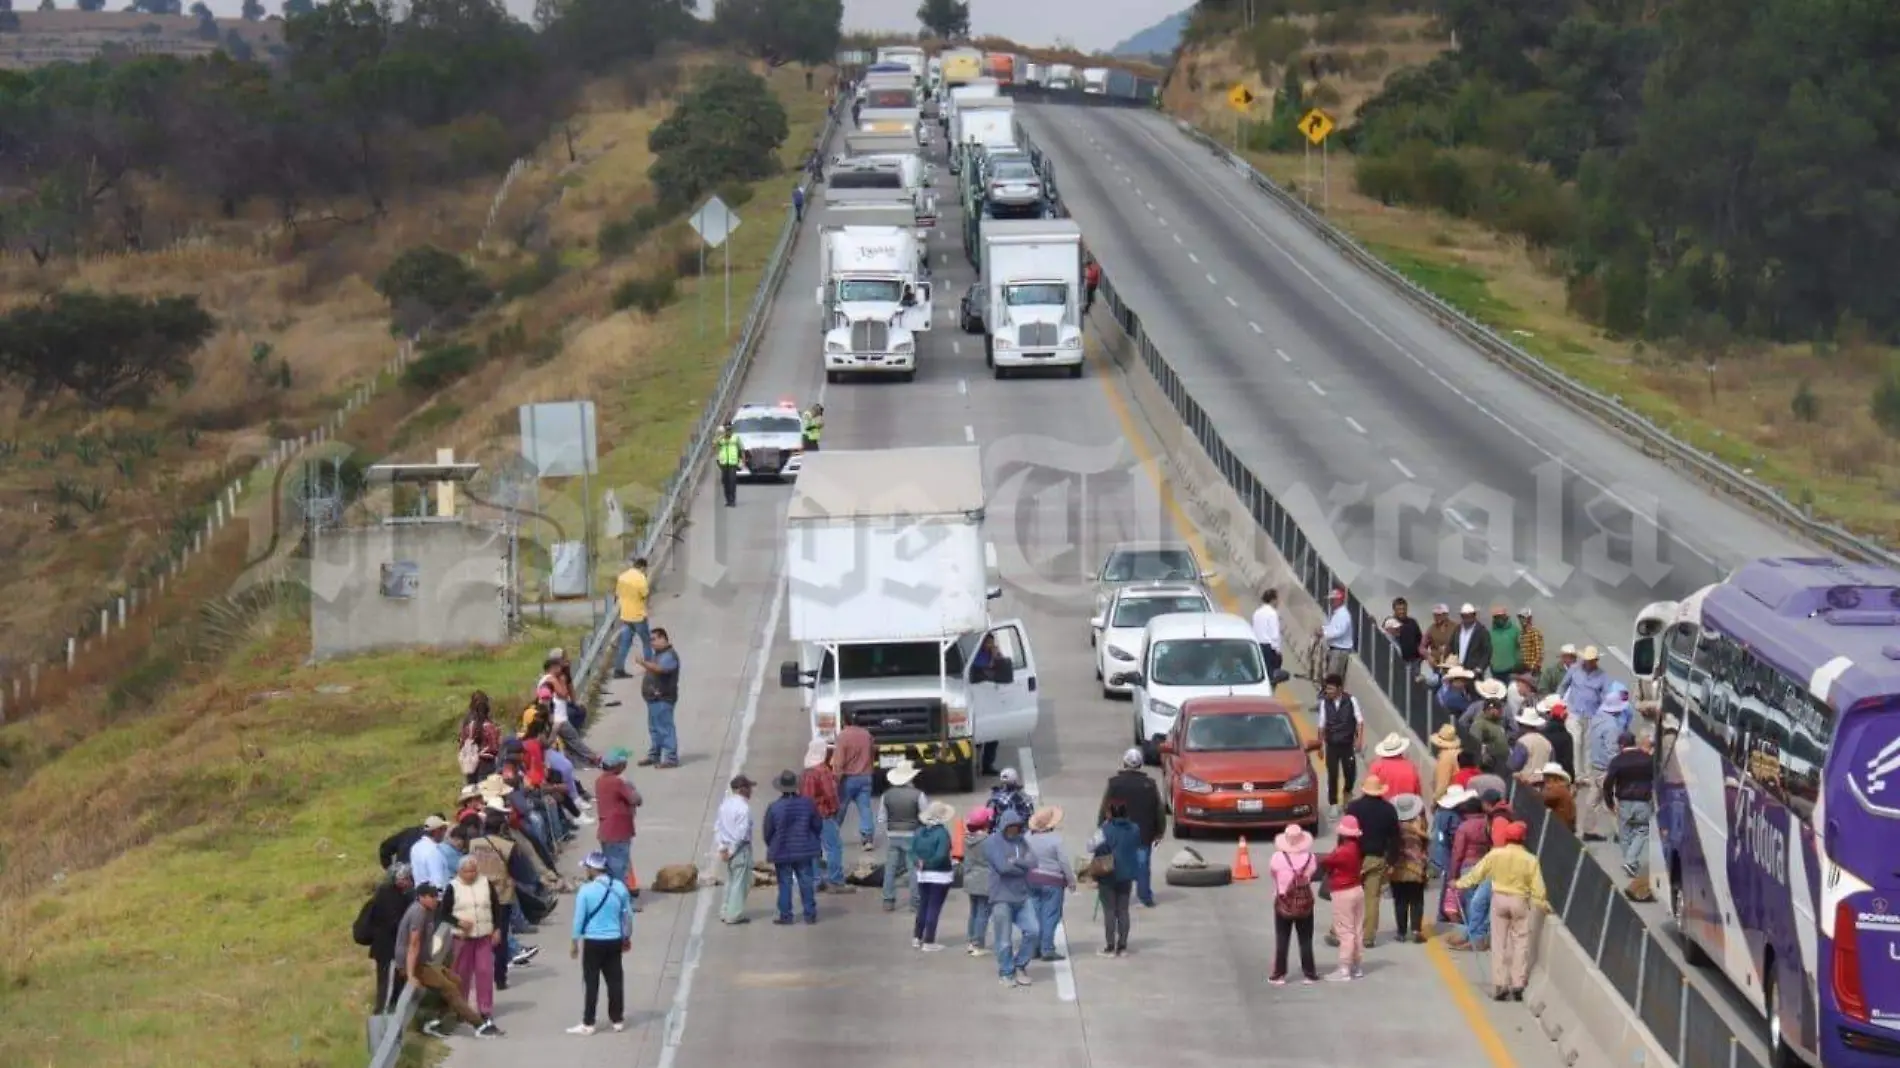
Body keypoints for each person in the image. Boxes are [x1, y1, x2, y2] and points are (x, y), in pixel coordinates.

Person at [1456, 820, 1549, 1001]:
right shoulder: (1530, 860)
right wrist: (1543, 904)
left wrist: (1459, 884)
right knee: (1521, 942)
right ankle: (1517, 984)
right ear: (1523, 838)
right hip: (1520, 901)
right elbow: (1539, 889)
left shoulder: (1495, 854)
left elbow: (1477, 874)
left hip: (1498, 899)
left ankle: (1500, 983)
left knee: (1499, 942)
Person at [397, 883, 493, 1037]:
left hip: (423, 962)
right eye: (432, 896)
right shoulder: (417, 913)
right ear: (422, 897)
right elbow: (413, 945)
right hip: (413, 964)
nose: (436, 900)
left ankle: (435, 1021)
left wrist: (459, 923)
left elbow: (445, 912)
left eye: (437, 896)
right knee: (450, 988)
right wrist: (410, 975)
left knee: (456, 980)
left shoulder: (429, 909)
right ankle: (479, 1025)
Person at [568, 851, 633, 1035]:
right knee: (615, 980)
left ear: (592, 870)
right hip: (614, 940)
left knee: (591, 982)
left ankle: (588, 1022)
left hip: (593, 941)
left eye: (586, 868)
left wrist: (574, 941)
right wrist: (626, 937)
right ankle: (617, 1019)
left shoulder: (586, 891)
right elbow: (627, 915)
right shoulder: (619, 887)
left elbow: (578, 919)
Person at [1097, 748, 1164, 908]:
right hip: (1144, 833)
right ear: (1140, 764)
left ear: (1124, 763)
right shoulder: (1150, 784)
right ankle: (1144, 896)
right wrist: (1159, 831)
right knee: (1142, 866)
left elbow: (1105, 807)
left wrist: (1101, 826)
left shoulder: (1114, 783)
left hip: (1119, 832)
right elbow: (1159, 810)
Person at [444, 857, 505, 1029]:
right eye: (467, 871)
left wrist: (497, 928)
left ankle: (485, 1009)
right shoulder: (453, 887)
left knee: (484, 972)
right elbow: (444, 913)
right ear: (459, 871)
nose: (471, 874)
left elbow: (495, 907)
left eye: (474, 871)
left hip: (484, 935)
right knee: (461, 974)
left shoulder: (485, 883)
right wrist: (458, 923)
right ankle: (461, 1009)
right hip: (462, 938)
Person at [1339, 774, 1397, 948]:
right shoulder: (1389, 810)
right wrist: (1392, 862)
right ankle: (1368, 936)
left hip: (1354, 856)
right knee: (1372, 899)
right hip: (1377, 858)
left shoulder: (1354, 807)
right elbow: (1395, 838)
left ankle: (1338, 932)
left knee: (1348, 896)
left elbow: (1344, 832)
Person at [983, 810, 1040, 987]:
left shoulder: (1022, 841)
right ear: (1003, 826)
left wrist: (1015, 861)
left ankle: (1020, 965)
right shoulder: (992, 842)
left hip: (1022, 895)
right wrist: (1020, 867)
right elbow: (1002, 868)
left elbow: (1033, 863)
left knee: (1033, 931)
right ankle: (1006, 972)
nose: (1014, 831)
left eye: (1016, 827)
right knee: (1004, 939)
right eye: (1010, 827)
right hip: (1001, 896)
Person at [763, 770, 823, 925]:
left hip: (782, 850)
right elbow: (817, 825)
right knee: (806, 881)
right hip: (804, 849)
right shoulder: (808, 803)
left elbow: (768, 831)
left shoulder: (774, 807)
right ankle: (810, 914)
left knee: (784, 883)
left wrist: (773, 844)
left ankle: (786, 915)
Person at [1088, 800, 1143, 957]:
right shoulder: (1135, 828)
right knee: (1123, 910)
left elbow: (1090, 846)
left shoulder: (1104, 829)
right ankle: (1123, 946)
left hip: (1108, 873)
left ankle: (1110, 946)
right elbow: (1137, 845)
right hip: (1127, 874)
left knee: (1110, 911)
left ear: (1110, 813)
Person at [357, 862, 415, 1012]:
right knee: (387, 988)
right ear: (398, 880)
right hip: (388, 950)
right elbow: (394, 923)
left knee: (393, 986)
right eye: (407, 879)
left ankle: (389, 1017)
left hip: (391, 948)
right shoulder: (388, 896)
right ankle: (381, 1020)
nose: (410, 882)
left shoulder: (396, 894)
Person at [1267, 823, 1320, 984]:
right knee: (1305, 939)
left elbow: (1273, 874)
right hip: (1304, 902)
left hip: (1283, 900)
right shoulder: (1310, 858)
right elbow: (1311, 874)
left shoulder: (1277, 857)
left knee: (1282, 938)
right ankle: (1309, 973)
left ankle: (1279, 974)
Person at [1319, 815, 1367, 981]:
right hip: (1358, 889)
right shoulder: (1356, 848)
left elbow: (1326, 861)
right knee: (1357, 928)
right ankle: (1357, 965)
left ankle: (1344, 968)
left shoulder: (1342, 851)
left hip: (1343, 892)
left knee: (1345, 930)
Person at [1024, 807, 1075, 962]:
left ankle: (1034, 948)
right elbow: (1064, 862)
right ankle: (1047, 948)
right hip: (1053, 881)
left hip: (1031, 879)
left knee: (1035, 914)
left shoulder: (1027, 837)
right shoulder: (1055, 839)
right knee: (1051, 915)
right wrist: (1071, 880)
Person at [1602, 731, 1655, 877]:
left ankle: (1630, 860)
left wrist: (1610, 802)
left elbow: (1607, 784)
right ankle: (1631, 862)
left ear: (1621, 745)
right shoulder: (1648, 759)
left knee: (1625, 833)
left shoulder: (1617, 761)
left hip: (1624, 801)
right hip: (1643, 801)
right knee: (1642, 830)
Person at [798, 738, 846, 893]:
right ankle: (835, 880)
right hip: (823, 814)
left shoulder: (806, 772)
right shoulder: (822, 771)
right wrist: (834, 809)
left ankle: (816, 879)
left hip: (808, 815)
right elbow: (830, 794)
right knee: (834, 847)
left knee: (814, 849)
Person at [879, 761, 928, 912]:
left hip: (893, 835)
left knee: (891, 868)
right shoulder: (918, 795)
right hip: (912, 834)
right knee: (913, 868)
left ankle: (888, 900)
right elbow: (926, 817)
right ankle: (915, 902)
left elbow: (881, 818)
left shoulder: (886, 795)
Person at [911, 802, 957, 951]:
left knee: (923, 906)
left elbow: (912, 851)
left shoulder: (919, 831)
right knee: (934, 907)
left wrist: (920, 863)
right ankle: (929, 941)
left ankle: (917, 937)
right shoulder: (942, 833)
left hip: (922, 875)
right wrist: (930, 863)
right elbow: (942, 855)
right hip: (940, 875)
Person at [594, 749, 641, 888]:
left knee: (613, 868)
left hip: (606, 831)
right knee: (620, 870)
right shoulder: (617, 782)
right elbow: (635, 799)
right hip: (618, 832)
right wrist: (631, 787)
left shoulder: (600, 781)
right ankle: (624, 902)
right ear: (617, 765)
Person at [1316, 674, 1363, 815]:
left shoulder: (1351, 700)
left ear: (1339, 688)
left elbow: (1359, 721)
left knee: (1350, 773)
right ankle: (1334, 804)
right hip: (1332, 745)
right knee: (1332, 774)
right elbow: (1321, 725)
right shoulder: (1325, 703)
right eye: (1327, 689)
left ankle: (1347, 793)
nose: (1328, 691)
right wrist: (1320, 746)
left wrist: (1359, 739)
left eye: (1331, 688)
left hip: (1347, 744)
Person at [635, 628, 681, 768]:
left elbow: (661, 669)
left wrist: (643, 663)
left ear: (663, 639)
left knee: (665, 728)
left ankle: (671, 758)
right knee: (654, 728)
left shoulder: (669, 656)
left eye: (654, 639)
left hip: (663, 699)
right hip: (653, 699)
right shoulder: (659, 654)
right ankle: (654, 755)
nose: (652, 643)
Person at [1388, 793, 1431, 943]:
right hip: (1417, 867)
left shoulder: (1393, 827)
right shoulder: (1421, 825)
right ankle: (1416, 930)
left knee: (1400, 900)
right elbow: (1426, 846)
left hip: (1398, 868)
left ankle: (1401, 932)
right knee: (1417, 900)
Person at [714, 774, 756, 925]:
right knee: (740, 883)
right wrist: (732, 851)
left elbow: (718, 827)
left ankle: (725, 910)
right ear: (742, 789)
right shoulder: (744, 808)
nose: (751, 791)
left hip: (726, 847)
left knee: (731, 881)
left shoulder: (724, 805)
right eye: (749, 788)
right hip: (740, 849)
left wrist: (722, 848)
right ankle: (734, 914)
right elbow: (741, 833)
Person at [830, 722, 876, 852]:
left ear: (845, 722)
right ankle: (867, 838)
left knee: (840, 808)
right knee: (865, 808)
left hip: (848, 778)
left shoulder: (843, 736)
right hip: (866, 776)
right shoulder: (867, 735)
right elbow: (873, 753)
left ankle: (833, 835)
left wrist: (835, 779)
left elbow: (839, 760)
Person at [962, 807, 994, 956]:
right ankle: (978, 943)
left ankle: (970, 940)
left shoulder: (967, 839)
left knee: (974, 912)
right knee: (983, 913)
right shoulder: (988, 841)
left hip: (970, 878)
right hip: (985, 880)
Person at [613, 556, 652, 676]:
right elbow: (645, 594)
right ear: (642, 567)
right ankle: (649, 668)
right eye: (645, 569)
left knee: (624, 643)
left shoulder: (622, 577)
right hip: (639, 616)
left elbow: (618, 594)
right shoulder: (641, 578)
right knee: (647, 642)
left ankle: (618, 670)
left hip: (625, 616)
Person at [458, 694, 502, 785]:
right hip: (486, 763)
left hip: (471, 762)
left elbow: (462, 742)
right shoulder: (489, 726)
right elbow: (494, 748)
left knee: (472, 789)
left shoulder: (469, 724)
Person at [1366, 732, 1422, 798]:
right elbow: (1417, 792)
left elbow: (1368, 788)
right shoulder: (1411, 767)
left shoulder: (1377, 766)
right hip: (1404, 806)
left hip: (1383, 805)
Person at [409, 815, 454, 894]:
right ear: (436, 831)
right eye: (444, 829)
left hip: (420, 894)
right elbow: (437, 881)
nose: (445, 833)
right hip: (435, 897)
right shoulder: (434, 851)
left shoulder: (415, 847)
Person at [1510, 706, 1553, 786]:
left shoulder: (1523, 742)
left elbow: (1515, 765)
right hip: (1543, 782)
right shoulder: (1547, 742)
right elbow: (1551, 763)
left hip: (1526, 783)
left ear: (1523, 725)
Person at [1318, 587, 1353, 680]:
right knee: (1331, 675)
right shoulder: (1337, 613)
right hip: (1335, 649)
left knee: (1333, 678)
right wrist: (1323, 629)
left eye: (1332, 600)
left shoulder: (1343, 614)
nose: (1330, 602)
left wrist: (1324, 633)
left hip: (1339, 650)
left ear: (1338, 600)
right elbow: (1332, 627)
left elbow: (1339, 631)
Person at [1251, 588, 1283, 680]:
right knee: (1269, 677)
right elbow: (1274, 635)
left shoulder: (1257, 612)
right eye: (1277, 599)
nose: (1278, 602)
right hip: (1268, 649)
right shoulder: (1272, 613)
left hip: (1256, 646)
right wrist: (1277, 652)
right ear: (1273, 600)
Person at [1453, 604, 1491, 674]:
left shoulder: (1481, 631)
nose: (1467, 619)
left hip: (1474, 671)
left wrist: (1480, 668)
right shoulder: (1457, 630)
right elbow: (1452, 646)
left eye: (1469, 616)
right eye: (1464, 616)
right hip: (1458, 669)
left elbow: (1487, 652)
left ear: (1474, 616)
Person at [1488, 604, 1524, 679]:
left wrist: (1518, 666)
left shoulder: (1515, 630)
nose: (1499, 619)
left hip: (1511, 671)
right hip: (1495, 671)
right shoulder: (1491, 633)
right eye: (1496, 617)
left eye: (1501, 616)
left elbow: (1522, 649)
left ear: (1506, 617)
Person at [1429, 723, 1463, 800]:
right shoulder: (1459, 752)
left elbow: (1442, 783)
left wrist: (1435, 800)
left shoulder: (1445, 757)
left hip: (1449, 798)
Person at [1541, 762, 1577, 832]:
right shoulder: (1561, 788)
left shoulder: (1558, 790)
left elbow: (1542, 798)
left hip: (1560, 829)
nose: (1544, 779)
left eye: (1547, 777)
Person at [1389, 597, 1424, 664]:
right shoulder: (1389, 623)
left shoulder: (1412, 622)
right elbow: (1381, 637)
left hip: (1414, 662)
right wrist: (1374, 624)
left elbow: (1420, 640)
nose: (1402, 611)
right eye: (1399, 609)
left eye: (1404, 609)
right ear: (1394, 609)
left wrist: (1421, 657)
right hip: (1396, 662)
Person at [1423, 604, 1457, 673]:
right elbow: (1422, 646)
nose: (1436, 617)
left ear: (1446, 615)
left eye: (1439, 615)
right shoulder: (1431, 629)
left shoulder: (1455, 627)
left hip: (1452, 665)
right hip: (1436, 666)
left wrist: (1448, 648)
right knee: (1431, 681)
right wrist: (1428, 657)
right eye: (1435, 615)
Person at [715, 423, 741, 506]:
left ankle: (732, 500)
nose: (728, 432)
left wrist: (742, 461)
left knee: (732, 481)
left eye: (730, 430)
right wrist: (718, 436)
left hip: (733, 463)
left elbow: (741, 449)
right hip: (723, 463)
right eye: (727, 430)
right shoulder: (720, 439)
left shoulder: (736, 438)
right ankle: (728, 500)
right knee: (725, 482)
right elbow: (714, 447)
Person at [1516, 608, 1545, 676]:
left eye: (1523, 618)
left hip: (1532, 671)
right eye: (1520, 618)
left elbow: (1539, 653)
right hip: (1523, 670)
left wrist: (1532, 667)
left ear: (1529, 618)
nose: (1521, 620)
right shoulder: (1521, 634)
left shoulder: (1534, 632)